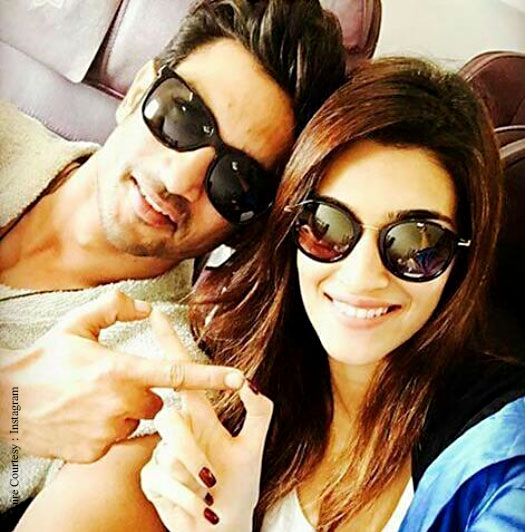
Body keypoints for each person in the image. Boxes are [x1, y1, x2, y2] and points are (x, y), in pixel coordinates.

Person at [135, 58, 525, 531]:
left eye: (414, 243)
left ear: (462, 257)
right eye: (328, 226)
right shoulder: (235, 373)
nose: (361, 276)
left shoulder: (503, 462)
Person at [0, 0, 347, 518]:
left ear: (248, 224)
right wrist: (12, 403)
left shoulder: (161, 384)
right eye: (183, 117)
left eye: (235, 180)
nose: (180, 180)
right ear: (138, 90)